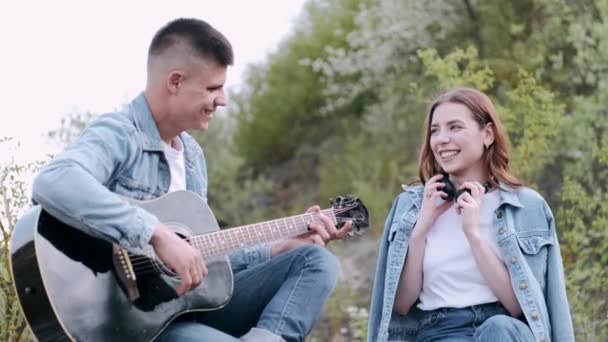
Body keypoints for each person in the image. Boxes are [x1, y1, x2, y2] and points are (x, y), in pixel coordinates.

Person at [31, 18, 351, 342]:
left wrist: (277, 247)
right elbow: (55, 180)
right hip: (133, 325)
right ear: (175, 82)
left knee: (316, 261)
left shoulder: (193, 159)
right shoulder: (121, 133)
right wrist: (155, 233)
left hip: (185, 310)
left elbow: (200, 257)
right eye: (213, 88)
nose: (223, 100)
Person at [367, 87, 574, 342]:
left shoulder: (526, 206)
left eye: (455, 127)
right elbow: (400, 305)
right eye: (435, 130)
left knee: (498, 329)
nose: (441, 139)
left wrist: (472, 233)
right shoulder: (410, 206)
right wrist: (421, 229)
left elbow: (520, 306)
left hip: (505, 331)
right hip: (439, 331)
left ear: (487, 134)